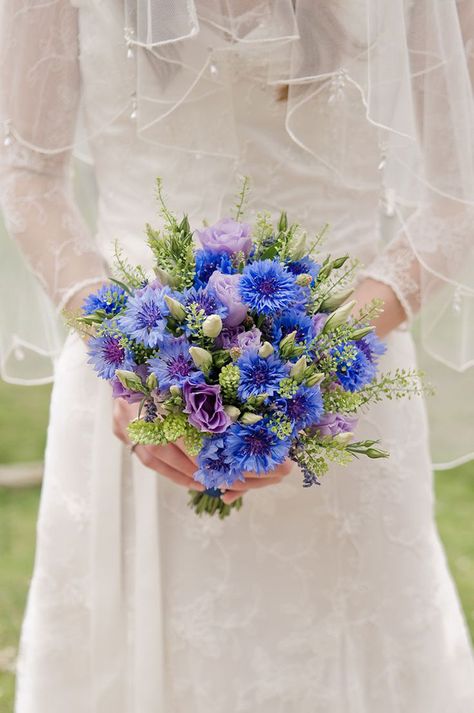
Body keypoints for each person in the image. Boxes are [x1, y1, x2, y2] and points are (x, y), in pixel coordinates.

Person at [1, 1, 473, 711]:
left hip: (347, 391)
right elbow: (29, 174)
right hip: (131, 394)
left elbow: (458, 187)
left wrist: (315, 363)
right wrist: (135, 359)